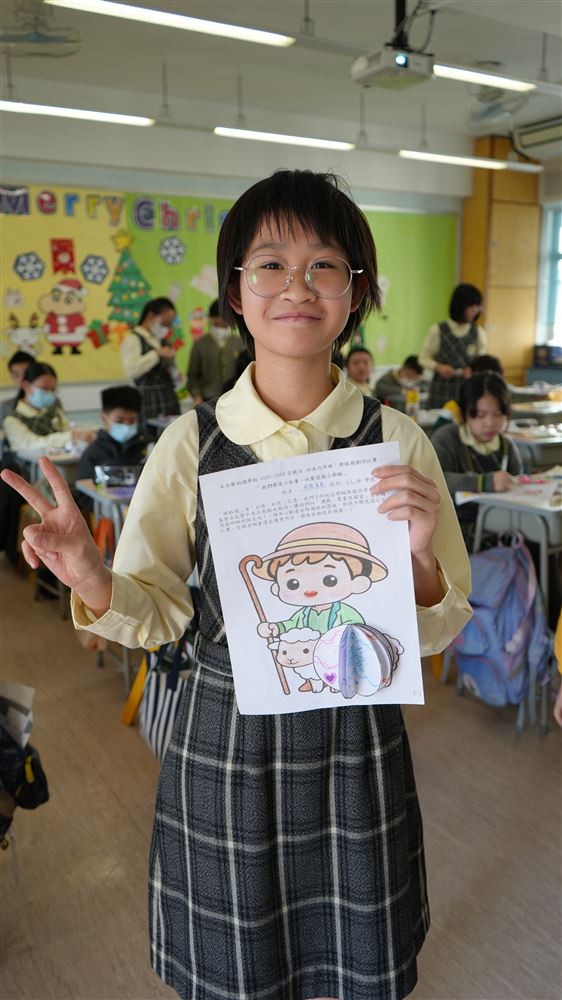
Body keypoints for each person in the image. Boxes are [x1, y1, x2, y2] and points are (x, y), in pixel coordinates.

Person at [2, 169, 472, 1000]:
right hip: (224, 739)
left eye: (326, 265)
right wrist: (92, 576)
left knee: (355, 958)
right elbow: (157, 612)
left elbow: (441, 621)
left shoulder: (396, 439)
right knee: (235, 964)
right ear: (235, 292)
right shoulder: (192, 442)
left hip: (355, 733)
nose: (298, 286)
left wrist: (418, 561)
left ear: (356, 291)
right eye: (271, 265)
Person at [432, 372, 523, 547]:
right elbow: (434, 480)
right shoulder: (447, 438)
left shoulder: (506, 445)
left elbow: (517, 484)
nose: (490, 423)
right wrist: (483, 482)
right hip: (456, 532)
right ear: (463, 414)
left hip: (503, 527)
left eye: (498, 414)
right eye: (480, 415)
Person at [419, 283, 487, 409]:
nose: (475, 311)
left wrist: (473, 370)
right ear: (460, 305)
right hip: (440, 392)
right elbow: (423, 358)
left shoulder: (478, 332)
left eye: (477, 307)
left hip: (467, 393)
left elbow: (482, 362)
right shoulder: (437, 330)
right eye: (471, 307)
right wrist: (438, 367)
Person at [2, 361, 95, 452]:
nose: (49, 394)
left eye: (53, 390)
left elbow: (68, 430)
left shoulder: (54, 411)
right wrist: (70, 436)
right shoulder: (12, 420)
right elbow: (32, 444)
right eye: (44, 389)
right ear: (26, 386)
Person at [120, 297, 180, 435]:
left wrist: (176, 375)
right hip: (148, 400)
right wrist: (156, 354)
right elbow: (131, 370)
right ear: (151, 316)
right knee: (151, 439)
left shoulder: (163, 341)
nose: (166, 328)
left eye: (169, 325)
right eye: (164, 323)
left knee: (172, 437)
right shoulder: (133, 339)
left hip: (169, 398)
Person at [77, 385, 146, 483]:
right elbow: (85, 489)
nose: (126, 426)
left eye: (132, 420)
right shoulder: (92, 454)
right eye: (119, 421)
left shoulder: (148, 447)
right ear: (104, 418)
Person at [187, 299, 243, 403]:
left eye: (227, 323)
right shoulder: (200, 345)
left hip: (235, 399)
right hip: (208, 399)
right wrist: (197, 396)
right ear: (211, 319)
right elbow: (192, 377)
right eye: (220, 322)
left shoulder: (239, 342)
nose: (225, 324)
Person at [0, 350, 34, 426]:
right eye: (16, 374)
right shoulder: (6, 407)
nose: (22, 379)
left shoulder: (50, 402)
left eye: (26, 373)